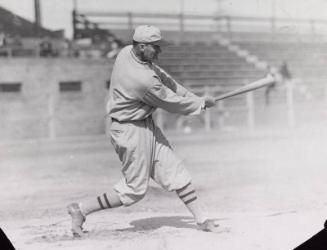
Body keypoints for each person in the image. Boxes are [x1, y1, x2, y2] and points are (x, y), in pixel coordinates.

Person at [67, 25, 219, 237]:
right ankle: (81, 210)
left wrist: (196, 98)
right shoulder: (142, 80)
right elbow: (171, 101)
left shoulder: (126, 52)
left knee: (174, 171)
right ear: (141, 46)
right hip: (128, 131)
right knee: (135, 189)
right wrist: (200, 104)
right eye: (155, 47)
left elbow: (165, 79)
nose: (159, 51)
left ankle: (202, 220)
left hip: (144, 125)